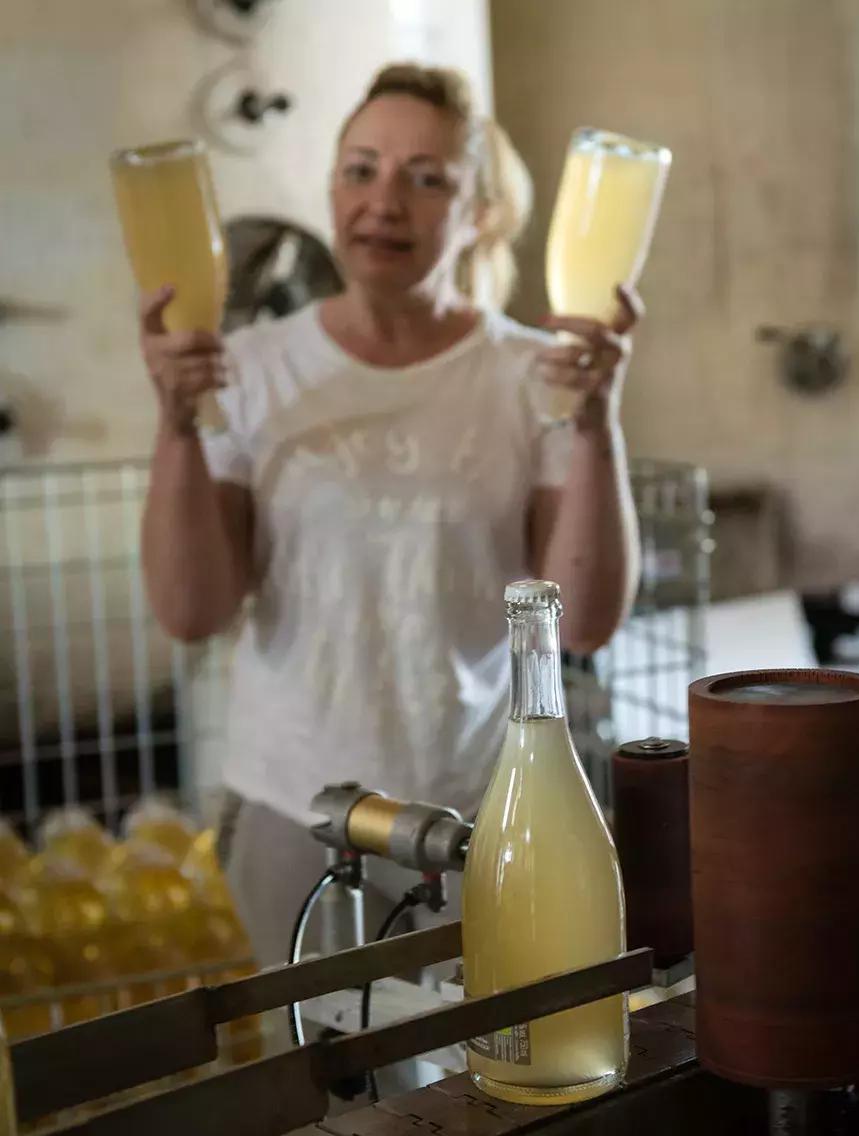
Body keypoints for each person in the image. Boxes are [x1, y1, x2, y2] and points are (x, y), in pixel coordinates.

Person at [140, 63, 642, 969]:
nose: (385, 201)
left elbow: (587, 616)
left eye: (427, 177)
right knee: (323, 1092)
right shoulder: (248, 366)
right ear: (332, 188)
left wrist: (599, 425)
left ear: (479, 209)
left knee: (484, 1086)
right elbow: (192, 610)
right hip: (301, 812)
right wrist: (176, 424)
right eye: (361, 169)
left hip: (478, 814)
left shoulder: (531, 374)